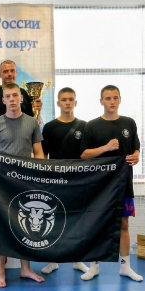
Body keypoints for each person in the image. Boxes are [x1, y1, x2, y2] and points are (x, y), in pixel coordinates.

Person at [80, 85, 143, 282]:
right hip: (98, 186)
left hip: (123, 183)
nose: (112, 101)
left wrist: (136, 156)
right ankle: (93, 267)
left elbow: (136, 149)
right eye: (108, 98)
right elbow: (84, 154)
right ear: (101, 101)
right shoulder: (92, 125)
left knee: (123, 224)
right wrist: (105, 148)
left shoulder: (129, 123)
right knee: (96, 225)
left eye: (115, 97)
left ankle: (125, 267)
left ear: (120, 99)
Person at [0, 83, 45, 287]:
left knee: (24, 226)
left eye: (15, 95)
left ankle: (25, 269)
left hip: (25, 182)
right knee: (0, 226)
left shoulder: (32, 122)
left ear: (21, 98)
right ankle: (0, 273)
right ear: (3, 100)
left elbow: (38, 152)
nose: (12, 99)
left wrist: (40, 174)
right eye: (8, 96)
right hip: (1, 184)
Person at [39, 87, 90, 276]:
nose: (67, 102)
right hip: (55, 180)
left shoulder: (85, 126)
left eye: (70, 99)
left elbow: (88, 154)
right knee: (55, 219)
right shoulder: (50, 127)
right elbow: (43, 155)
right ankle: (53, 261)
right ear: (58, 103)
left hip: (77, 181)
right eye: (64, 99)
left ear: (75, 102)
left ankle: (78, 260)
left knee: (78, 220)